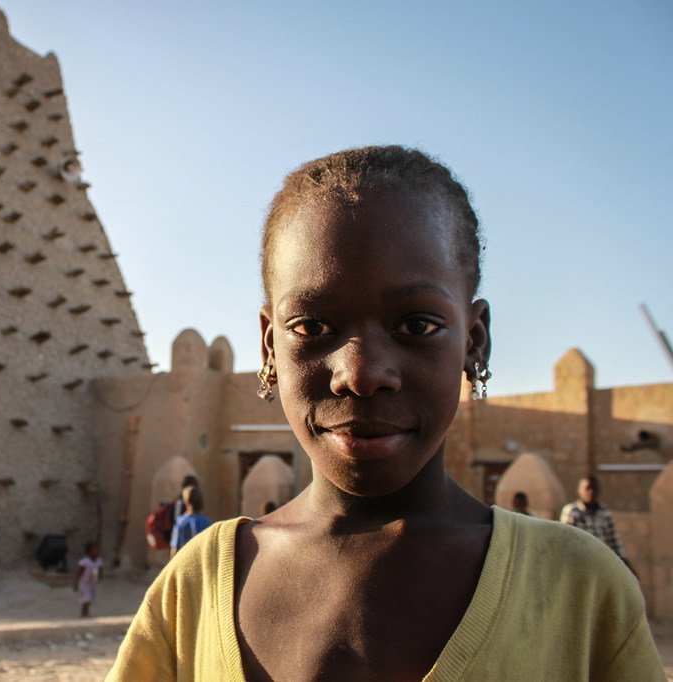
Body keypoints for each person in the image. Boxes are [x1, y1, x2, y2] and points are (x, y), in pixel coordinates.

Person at [108, 146, 664, 679]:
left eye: (417, 325)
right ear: (269, 347)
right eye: (313, 327)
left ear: (475, 342)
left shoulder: (580, 590)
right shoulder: (196, 589)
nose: (362, 372)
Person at [561, 475, 635, 572]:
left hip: (602, 561)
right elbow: (567, 540)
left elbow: (614, 540)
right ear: (579, 490)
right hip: (581, 563)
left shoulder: (604, 512)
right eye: (587, 488)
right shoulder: (572, 511)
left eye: (594, 489)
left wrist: (625, 563)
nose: (591, 492)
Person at [169, 485, 211, 557]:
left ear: (185, 502)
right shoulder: (206, 522)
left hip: (184, 562)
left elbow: (175, 548)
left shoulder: (181, 522)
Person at [74, 541, 103, 618]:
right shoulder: (85, 562)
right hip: (84, 583)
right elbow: (79, 573)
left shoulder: (98, 561)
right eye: (95, 549)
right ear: (89, 551)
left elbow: (100, 570)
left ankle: (87, 612)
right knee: (86, 598)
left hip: (92, 583)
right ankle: (83, 613)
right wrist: (76, 583)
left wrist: (100, 576)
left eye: (98, 549)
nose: (97, 551)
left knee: (90, 598)